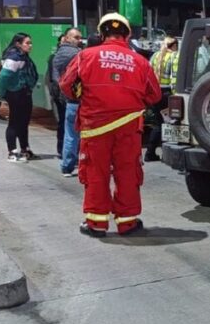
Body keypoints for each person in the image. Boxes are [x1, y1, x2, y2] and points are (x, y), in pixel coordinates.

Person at [59, 14, 162, 237]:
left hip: (95, 127)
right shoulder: (140, 61)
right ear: (128, 35)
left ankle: (96, 224)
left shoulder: (85, 56)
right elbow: (154, 95)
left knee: (96, 172)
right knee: (128, 173)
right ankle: (127, 222)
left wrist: (82, 96)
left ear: (102, 34)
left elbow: (67, 85)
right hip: (129, 127)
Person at [0, 33, 38, 162]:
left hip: (24, 92)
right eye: (27, 43)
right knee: (14, 122)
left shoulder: (23, 56)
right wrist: (2, 93)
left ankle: (25, 149)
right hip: (15, 93)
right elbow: (3, 77)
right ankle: (12, 151)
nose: (30, 46)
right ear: (18, 44)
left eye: (30, 43)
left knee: (24, 122)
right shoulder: (14, 57)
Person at [53, 27, 83, 176]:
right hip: (78, 100)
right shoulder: (78, 55)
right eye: (76, 37)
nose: (79, 40)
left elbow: (56, 78)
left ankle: (66, 166)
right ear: (67, 38)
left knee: (69, 134)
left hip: (67, 98)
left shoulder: (57, 54)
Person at [145, 36, 179, 162]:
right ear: (174, 45)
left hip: (155, 93)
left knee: (159, 123)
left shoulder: (155, 56)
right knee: (170, 124)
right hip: (167, 94)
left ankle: (150, 152)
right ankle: (166, 154)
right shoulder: (174, 56)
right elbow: (175, 78)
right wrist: (176, 95)